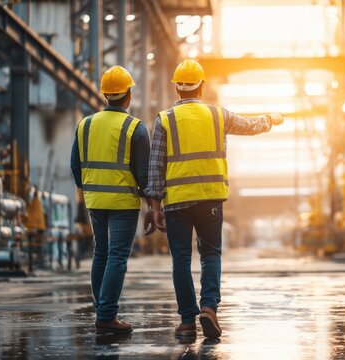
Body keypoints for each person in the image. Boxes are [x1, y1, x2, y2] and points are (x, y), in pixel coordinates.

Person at [144, 59, 284, 338]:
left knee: (181, 260)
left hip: (177, 202)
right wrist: (269, 119)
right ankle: (209, 308)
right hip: (210, 199)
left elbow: (155, 165)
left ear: (176, 89)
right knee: (210, 254)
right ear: (202, 86)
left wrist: (154, 206)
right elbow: (248, 125)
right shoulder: (218, 115)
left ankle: (186, 321)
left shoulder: (165, 119)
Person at [70, 66, 150, 334]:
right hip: (124, 202)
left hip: (94, 199)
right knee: (117, 256)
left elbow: (75, 166)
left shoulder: (85, 124)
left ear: (105, 95)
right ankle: (106, 315)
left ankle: (102, 308)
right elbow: (144, 175)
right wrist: (152, 204)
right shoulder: (135, 128)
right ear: (128, 95)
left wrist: (89, 188)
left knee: (101, 253)